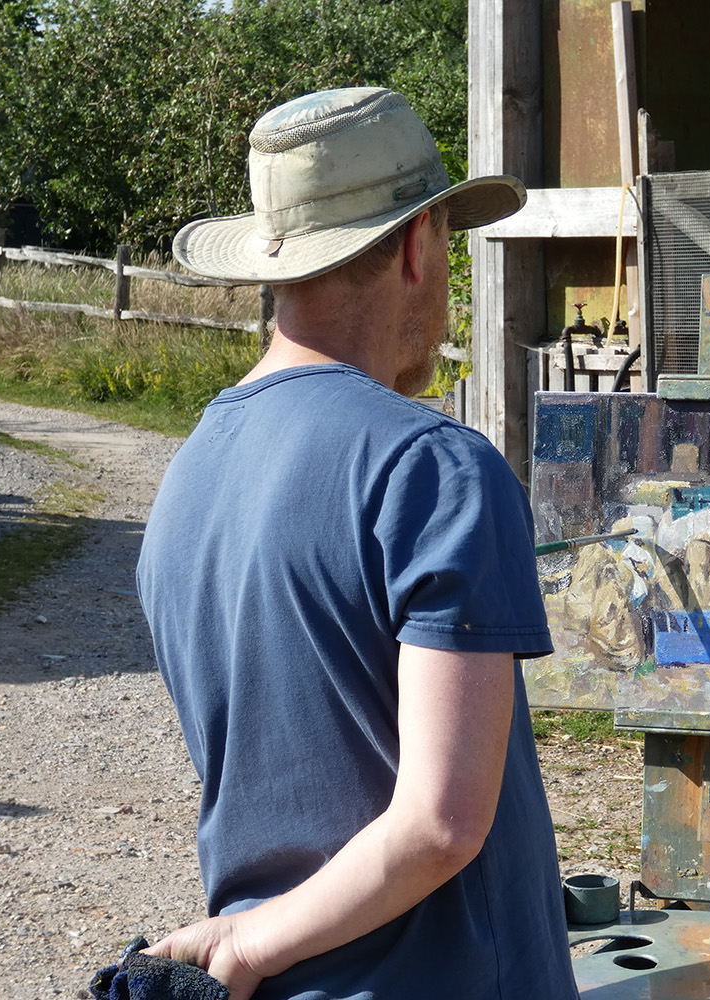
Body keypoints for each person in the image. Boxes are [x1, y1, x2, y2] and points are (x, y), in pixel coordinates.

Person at [136, 87, 579, 1000]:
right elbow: (440, 823)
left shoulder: (187, 477)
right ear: (419, 247)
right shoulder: (433, 467)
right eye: (448, 243)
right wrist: (251, 948)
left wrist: (258, 945)